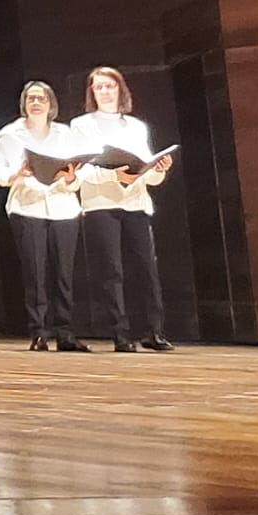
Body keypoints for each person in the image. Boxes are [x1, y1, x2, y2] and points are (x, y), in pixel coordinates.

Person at [74, 66, 176, 352]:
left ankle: (153, 331)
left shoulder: (135, 126)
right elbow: (81, 171)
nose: (105, 92)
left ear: (121, 89)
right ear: (92, 92)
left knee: (146, 268)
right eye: (99, 87)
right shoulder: (81, 125)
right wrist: (113, 176)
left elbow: (147, 171)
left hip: (136, 202)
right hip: (101, 203)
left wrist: (158, 170)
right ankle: (120, 333)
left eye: (110, 86)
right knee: (112, 271)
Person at [0, 81, 89, 352]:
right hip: (27, 207)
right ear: (24, 104)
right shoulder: (10, 134)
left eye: (41, 98)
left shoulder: (65, 133)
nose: (36, 103)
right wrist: (17, 174)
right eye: (31, 98)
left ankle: (65, 331)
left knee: (63, 274)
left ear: (51, 104)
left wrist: (71, 176)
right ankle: (39, 332)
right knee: (35, 272)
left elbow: (82, 171)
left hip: (63, 208)